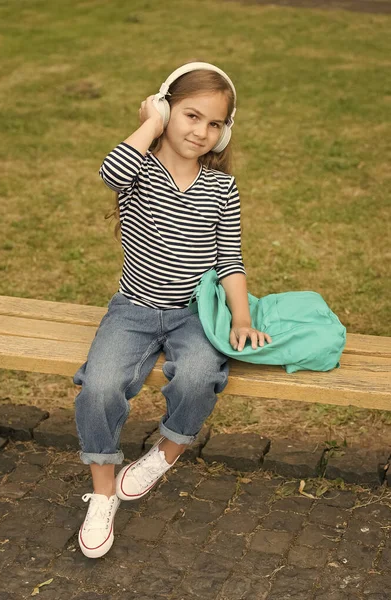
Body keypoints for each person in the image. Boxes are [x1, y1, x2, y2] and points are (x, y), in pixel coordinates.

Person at [73, 61, 272, 559]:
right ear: (165, 111)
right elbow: (108, 171)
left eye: (215, 124)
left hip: (192, 315)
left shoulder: (221, 188)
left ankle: (166, 453)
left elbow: (230, 259)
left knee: (199, 375)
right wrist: (150, 122)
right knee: (99, 385)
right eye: (190, 115)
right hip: (133, 309)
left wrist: (241, 319)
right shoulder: (138, 169)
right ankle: (102, 492)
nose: (202, 131)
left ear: (225, 133)